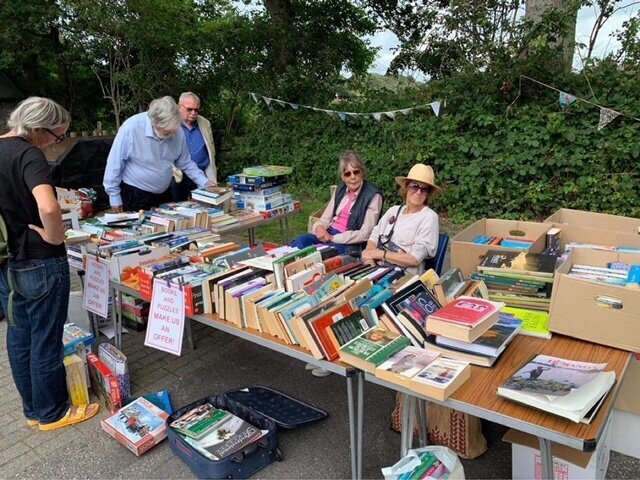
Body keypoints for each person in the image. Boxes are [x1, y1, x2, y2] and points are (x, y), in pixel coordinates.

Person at [0, 97, 99, 430]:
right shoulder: (29, 154)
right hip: (39, 260)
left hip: (8, 260)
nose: (55, 143)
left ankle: (32, 410)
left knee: (20, 336)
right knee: (45, 337)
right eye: (56, 137)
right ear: (38, 128)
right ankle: (53, 412)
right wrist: (55, 237)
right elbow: (50, 207)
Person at [103, 96, 216, 212]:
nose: (172, 134)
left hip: (164, 193)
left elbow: (186, 163)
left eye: (174, 130)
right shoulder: (131, 128)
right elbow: (114, 163)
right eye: (167, 132)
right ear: (155, 123)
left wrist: (204, 182)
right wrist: (114, 196)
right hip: (134, 194)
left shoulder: (178, 132)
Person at [291, 150, 383, 255]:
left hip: (348, 242)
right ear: (343, 177)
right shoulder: (341, 188)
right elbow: (325, 218)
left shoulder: (374, 195)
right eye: (348, 174)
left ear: (362, 172)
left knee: (321, 257)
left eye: (356, 172)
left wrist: (334, 238)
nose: (353, 177)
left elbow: (365, 234)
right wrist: (319, 227)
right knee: (299, 242)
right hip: (329, 233)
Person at [362, 163, 442, 275]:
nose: (419, 192)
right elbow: (374, 236)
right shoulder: (393, 210)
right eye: (415, 186)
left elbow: (414, 259)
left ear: (428, 194)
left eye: (424, 189)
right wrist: (369, 259)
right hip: (377, 269)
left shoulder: (429, 217)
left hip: (403, 277)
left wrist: (380, 255)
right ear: (406, 187)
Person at [170, 92, 217, 202]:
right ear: (179, 107)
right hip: (178, 175)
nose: (193, 113)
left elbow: (211, 149)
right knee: (179, 209)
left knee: (206, 208)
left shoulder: (205, 123)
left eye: (196, 110)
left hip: (202, 174)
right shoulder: (171, 123)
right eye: (189, 109)